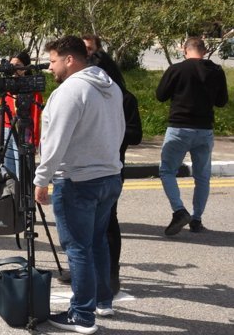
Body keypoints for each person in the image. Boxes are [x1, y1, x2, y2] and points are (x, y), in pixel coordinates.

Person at [34, 35, 124, 334]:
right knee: (97, 241)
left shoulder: (71, 90)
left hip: (78, 179)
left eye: (53, 61)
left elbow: (55, 141)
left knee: (77, 247)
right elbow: (120, 130)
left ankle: (82, 315)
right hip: (109, 176)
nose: (50, 68)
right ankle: (102, 300)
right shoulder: (110, 86)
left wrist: (41, 179)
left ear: (69, 59)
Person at [82, 34, 143, 294]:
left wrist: (109, 132)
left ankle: (111, 273)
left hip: (112, 168)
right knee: (84, 224)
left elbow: (136, 135)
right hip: (84, 168)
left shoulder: (125, 99)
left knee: (108, 222)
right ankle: (85, 270)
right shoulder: (86, 97)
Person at [156, 36, 228, 235]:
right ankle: (196, 220)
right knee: (202, 177)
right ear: (204, 51)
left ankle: (179, 210)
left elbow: (160, 95)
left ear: (185, 50)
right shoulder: (216, 71)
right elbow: (222, 101)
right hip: (205, 129)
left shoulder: (177, 69)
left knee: (167, 171)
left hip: (179, 127)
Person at [0, 52, 42, 178]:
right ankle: (13, 193)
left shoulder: (32, 89)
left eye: (18, 65)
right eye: (11, 65)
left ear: (26, 67)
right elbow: (2, 111)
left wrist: (34, 140)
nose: (14, 69)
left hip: (23, 130)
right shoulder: (8, 87)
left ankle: (25, 194)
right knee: (8, 167)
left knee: (22, 167)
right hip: (7, 130)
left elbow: (36, 117)